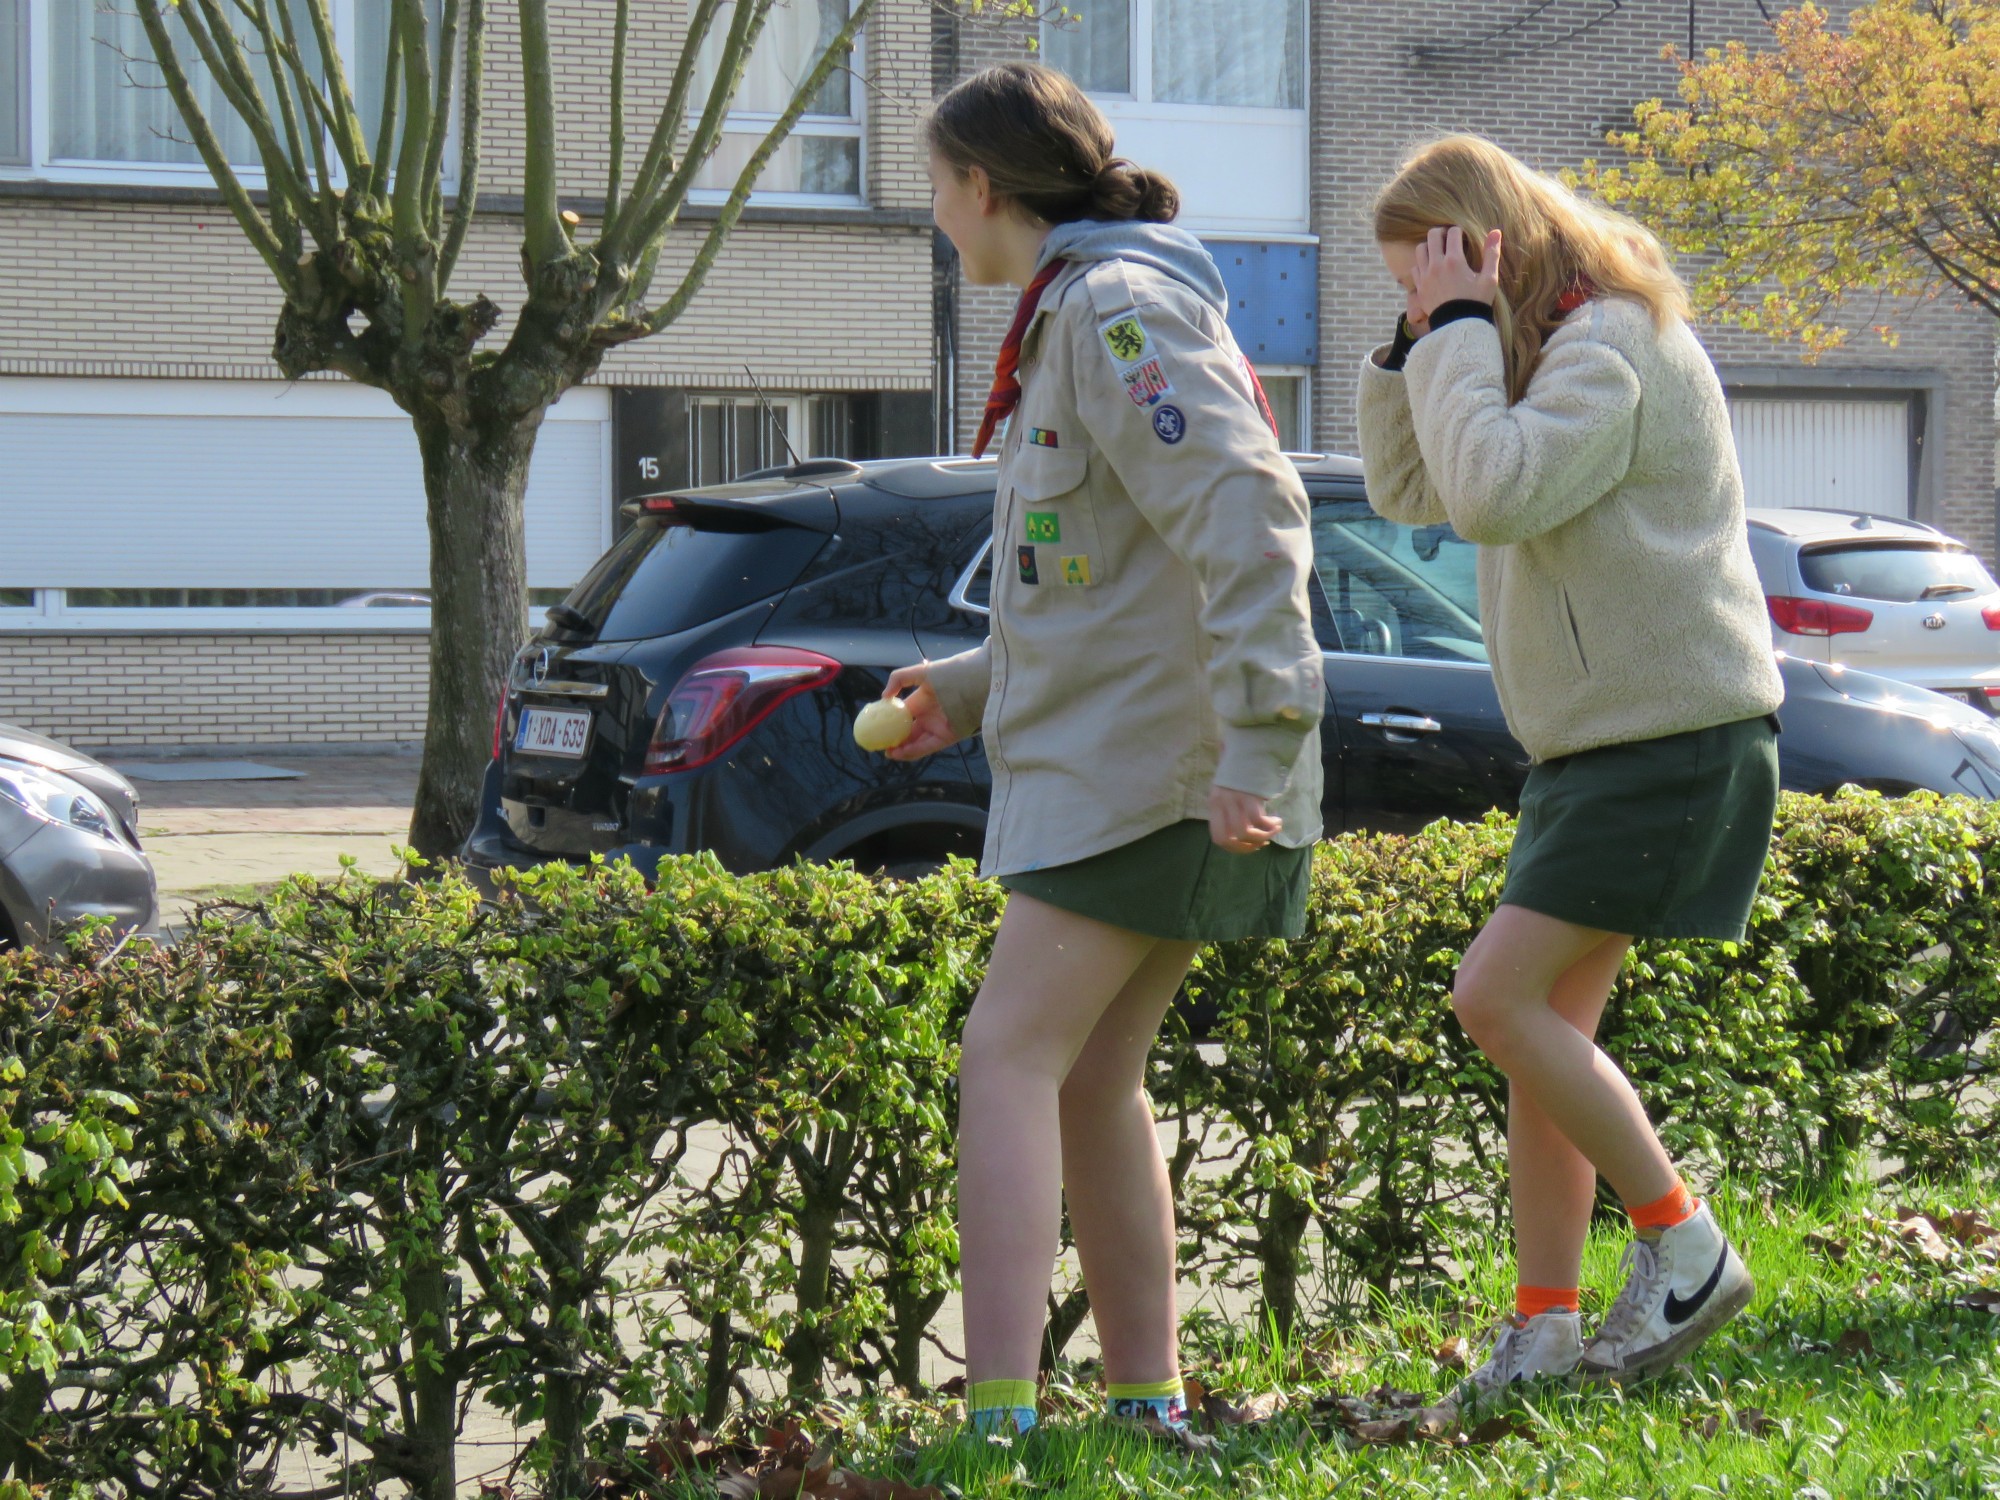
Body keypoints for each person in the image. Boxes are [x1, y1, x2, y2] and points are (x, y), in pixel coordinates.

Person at [876, 62, 1324, 1441]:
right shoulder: (1085, 308)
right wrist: (966, 685)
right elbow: (1113, 584)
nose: (936, 213)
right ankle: (1146, 1408)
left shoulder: (1117, 312)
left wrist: (1259, 736)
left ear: (981, 187)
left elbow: (1249, 515)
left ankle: (999, 1427)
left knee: (1004, 1059)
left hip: (1156, 772)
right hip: (1144, 756)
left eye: (937, 185)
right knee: (1084, 1075)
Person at [1356, 134, 1785, 1405]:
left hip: (1667, 740)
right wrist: (1416, 346)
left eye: (1422, 284)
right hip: (1596, 746)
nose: (1416, 314)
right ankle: (1541, 1327)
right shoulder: (1524, 346)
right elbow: (1405, 487)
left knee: (1492, 1001)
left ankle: (1685, 1247)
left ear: (1487, 254)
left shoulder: (1612, 347)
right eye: (1401, 294)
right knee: (1542, 1036)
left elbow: (1488, 496)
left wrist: (1453, 334)